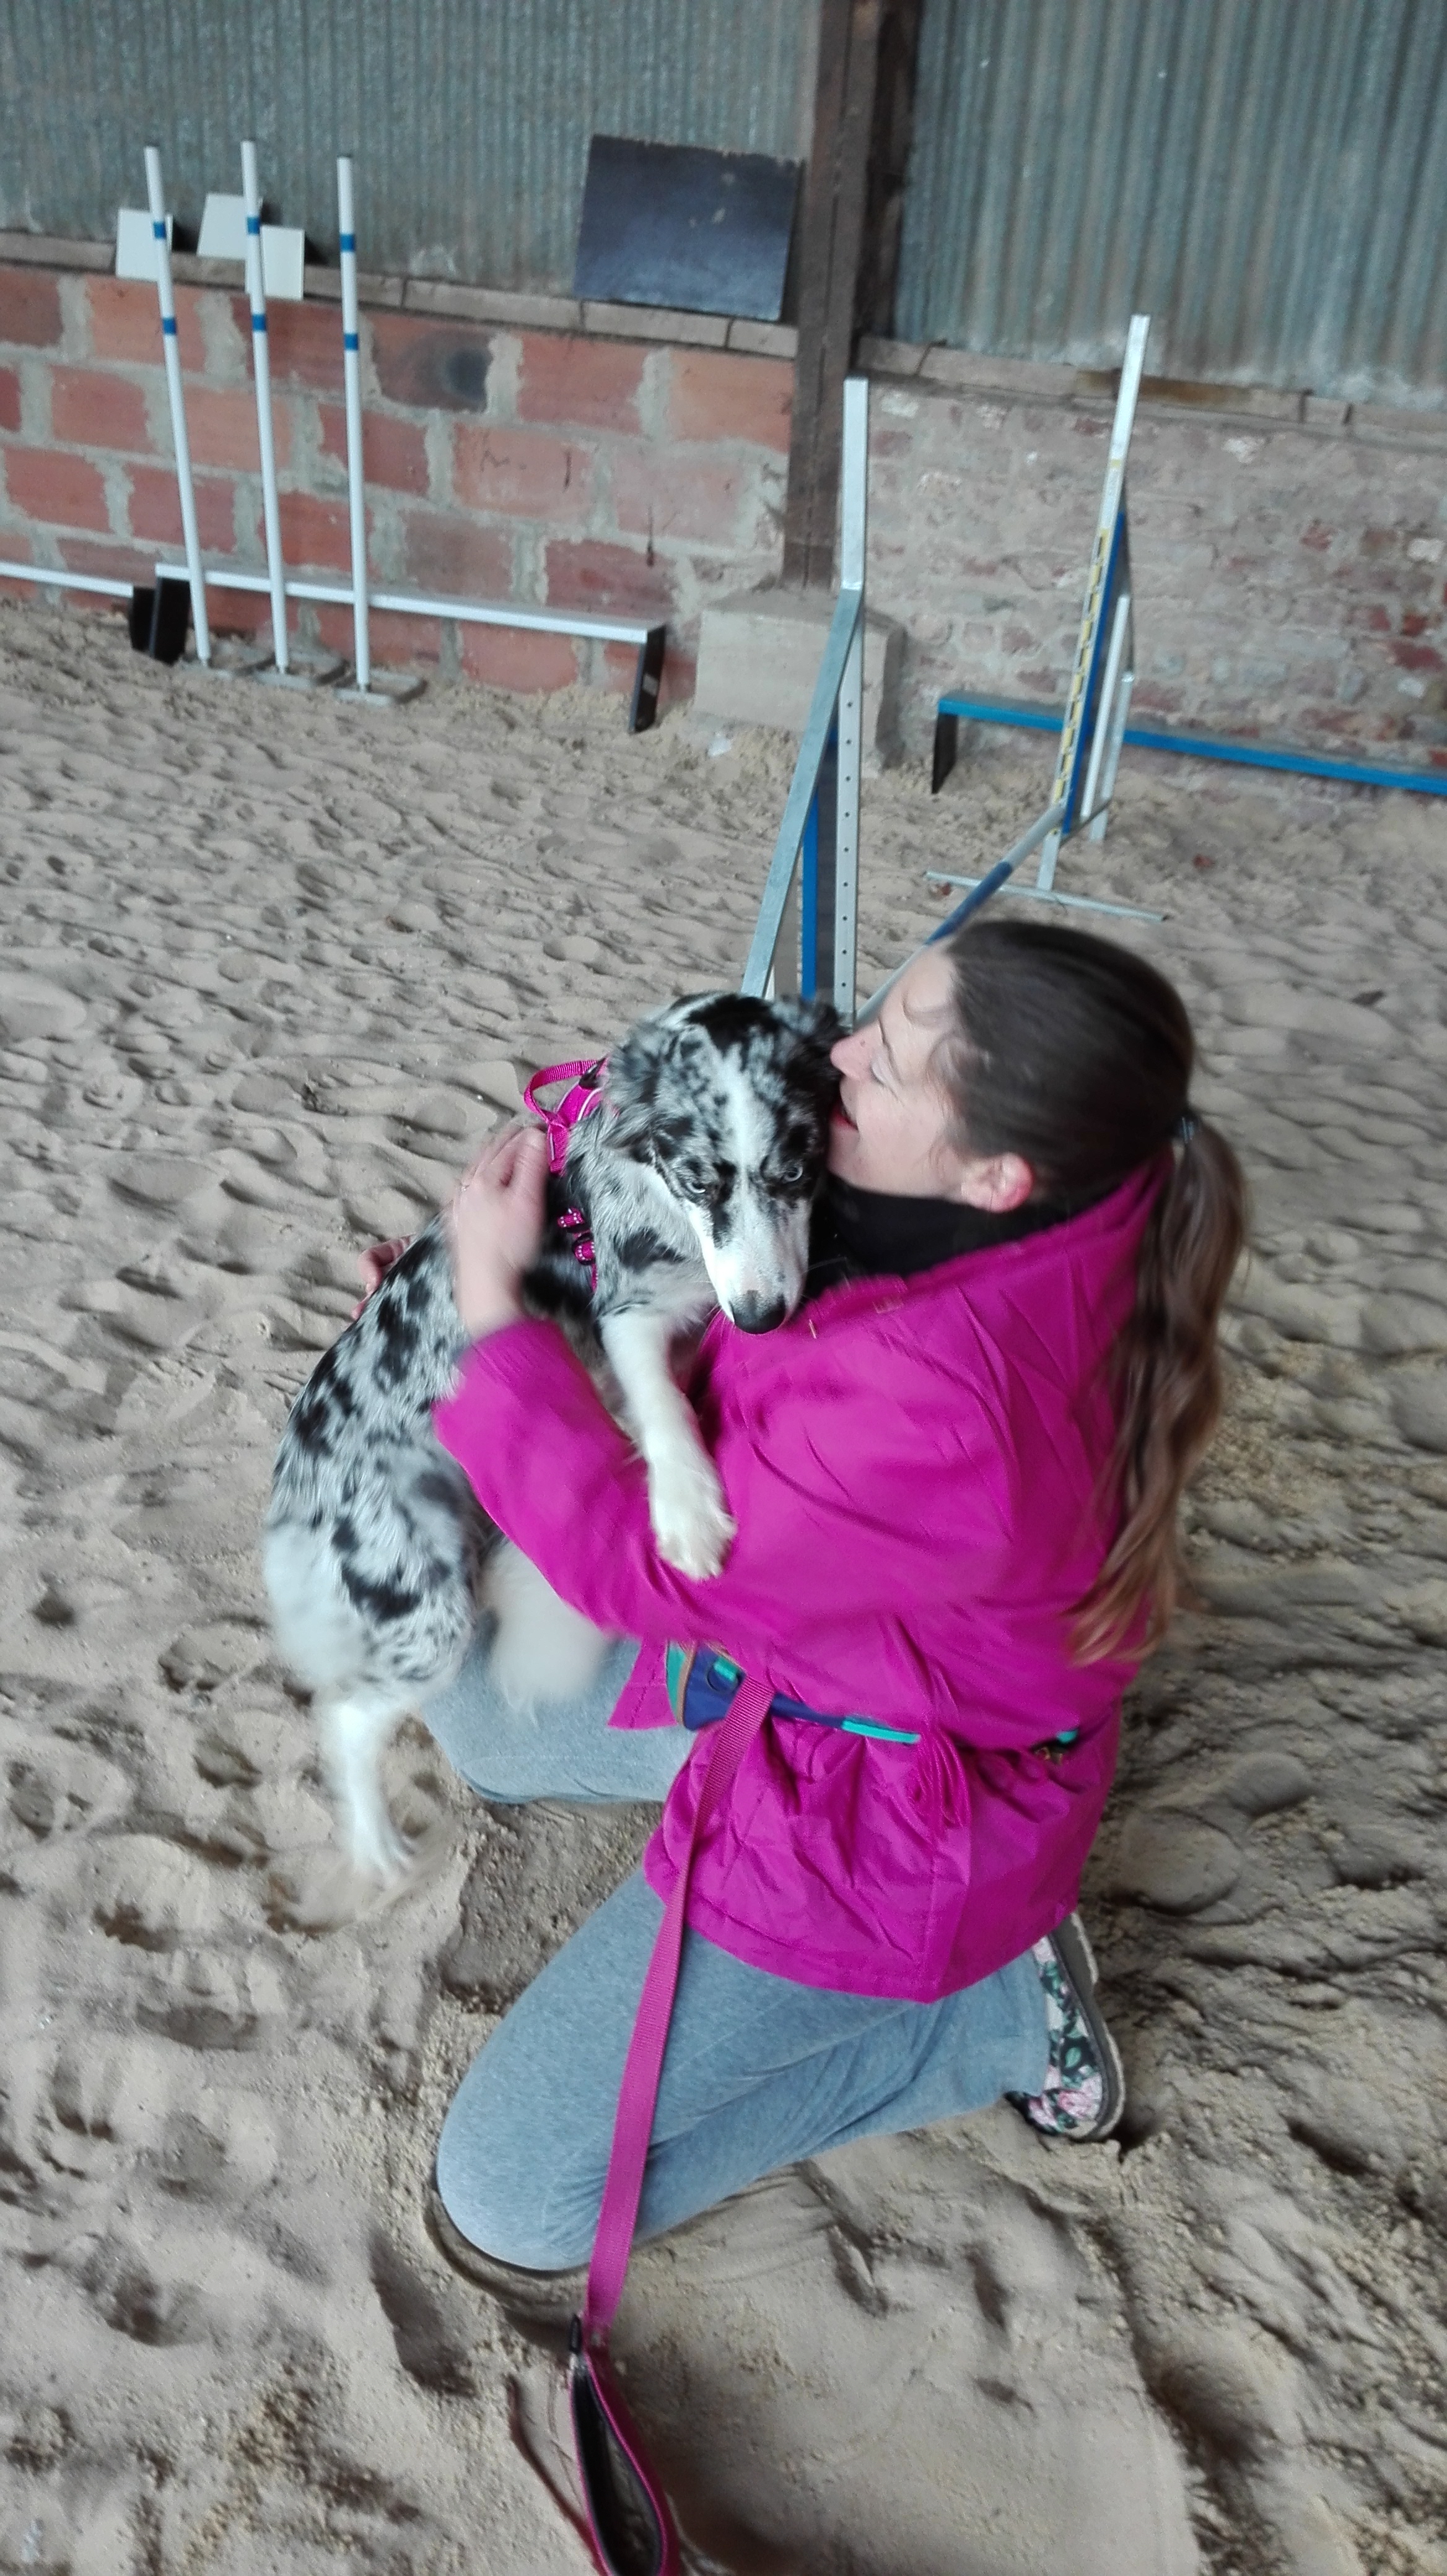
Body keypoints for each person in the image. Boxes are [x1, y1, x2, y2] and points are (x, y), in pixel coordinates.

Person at [414, 916, 1246, 2274]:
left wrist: (489, 1318)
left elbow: (640, 1566)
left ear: (996, 1172)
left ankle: (990, 2021)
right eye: (876, 1016)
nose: (838, 1054)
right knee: (476, 1712)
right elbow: (728, 1374)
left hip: (888, 1807)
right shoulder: (1018, 1192)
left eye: (887, 1062)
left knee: (512, 2200)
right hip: (825, 1661)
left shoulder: (948, 1412)